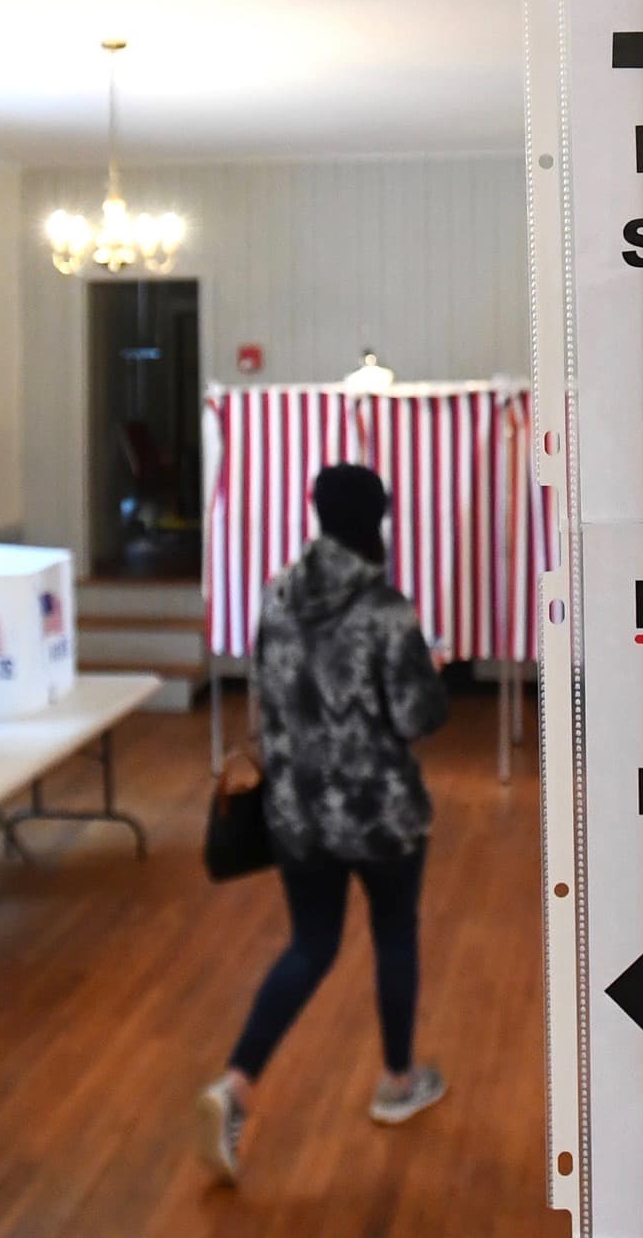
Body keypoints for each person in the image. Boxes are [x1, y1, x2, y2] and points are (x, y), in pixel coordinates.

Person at [200, 462, 451, 1183]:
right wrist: (428, 673)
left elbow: (269, 701)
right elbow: (417, 716)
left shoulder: (276, 597)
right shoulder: (384, 609)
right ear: (378, 517)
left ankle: (236, 1084)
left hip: (299, 814)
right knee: (394, 935)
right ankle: (399, 1083)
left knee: (310, 945)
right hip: (380, 816)